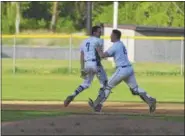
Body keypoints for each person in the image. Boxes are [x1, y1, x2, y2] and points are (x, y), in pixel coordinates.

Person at [88, 29, 157, 113]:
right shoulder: (121, 44)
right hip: (129, 69)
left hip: (122, 70)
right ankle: (150, 100)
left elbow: (102, 55)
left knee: (107, 86)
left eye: (112, 35)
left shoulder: (116, 46)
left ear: (115, 36)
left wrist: (97, 47)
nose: (110, 36)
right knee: (135, 89)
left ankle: (97, 105)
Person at [64, 26, 108, 107]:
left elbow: (82, 55)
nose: (100, 33)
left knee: (86, 84)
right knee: (105, 84)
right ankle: (97, 104)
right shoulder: (98, 40)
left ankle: (72, 95)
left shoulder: (84, 41)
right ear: (94, 32)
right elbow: (100, 54)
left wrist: (82, 68)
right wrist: (107, 55)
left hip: (87, 64)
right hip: (96, 65)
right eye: (99, 32)